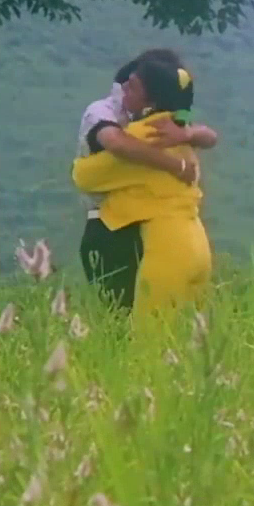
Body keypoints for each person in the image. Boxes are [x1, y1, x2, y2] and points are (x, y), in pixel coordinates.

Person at [73, 57, 213, 323]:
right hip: (198, 246)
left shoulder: (141, 137)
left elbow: (84, 175)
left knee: (145, 335)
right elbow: (209, 137)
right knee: (185, 335)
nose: (124, 89)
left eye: (133, 86)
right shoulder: (179, 133)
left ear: (150, 99)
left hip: (162, 248)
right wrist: (178, 161)